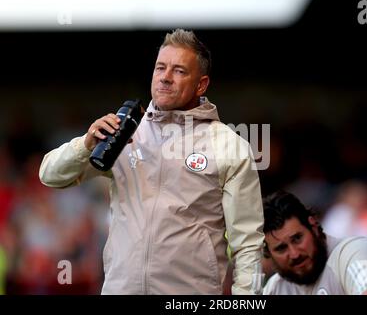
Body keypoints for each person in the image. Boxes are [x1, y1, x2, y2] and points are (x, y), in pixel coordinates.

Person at [39, 29, 264, 294]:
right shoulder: (123, 132)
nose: (166, 77)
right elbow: (50, 176)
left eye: (179, 71)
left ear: (201, 85)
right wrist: (86, 144)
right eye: (160, 68)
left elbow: (248, 244)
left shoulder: (229, 146)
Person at [262, 191, 367, 295]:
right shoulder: (276, 288)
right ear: (268, 253)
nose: (295, 254)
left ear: (313, 226)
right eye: (281, 248)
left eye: (297, 239)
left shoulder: (356, 253)